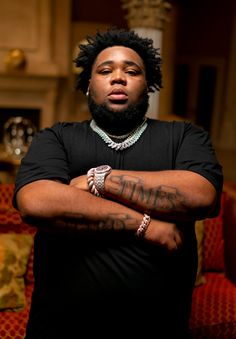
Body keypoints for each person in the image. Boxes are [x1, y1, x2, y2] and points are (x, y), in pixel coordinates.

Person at [13, 28, 223, 339]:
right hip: (61, 328)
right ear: (87, 85)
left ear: (148, 85)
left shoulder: (184, 137)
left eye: (132, 71)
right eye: (105, 70)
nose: (118, 78)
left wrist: (99, 180)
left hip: (157, 329)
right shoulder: (56, 137)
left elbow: (201, 195)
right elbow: (36, 202)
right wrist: (145, 225)